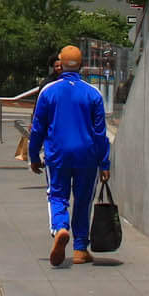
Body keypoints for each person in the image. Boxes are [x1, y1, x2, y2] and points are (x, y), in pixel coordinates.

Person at [29, 45, 113, 265]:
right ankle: (79, 249)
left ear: (61, 65)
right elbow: (100, 133)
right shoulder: (93, 93)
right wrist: (105, 163)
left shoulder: (48, 91)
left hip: (57, 154)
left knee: (57, 195)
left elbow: (38, 127)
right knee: (83, 199)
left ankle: (60, 228)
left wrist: (33, 155)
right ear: (82, 64)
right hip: (87, 155)